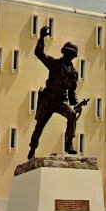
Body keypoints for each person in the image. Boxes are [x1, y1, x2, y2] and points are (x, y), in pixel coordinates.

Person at [27, 26, 79, 160]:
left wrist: (76, 103)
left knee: (72, 115)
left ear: (73, 56)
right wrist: (41, 37)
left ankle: (68, 145)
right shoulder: (54, 64)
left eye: (71, 54)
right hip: (48, 100)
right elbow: (39, 54)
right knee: (39, 126)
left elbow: (72, 91)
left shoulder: (73, 73)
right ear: (63, 53)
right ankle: (32, 148)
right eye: (67, 52)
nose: (69, 55)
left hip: (61, 101)